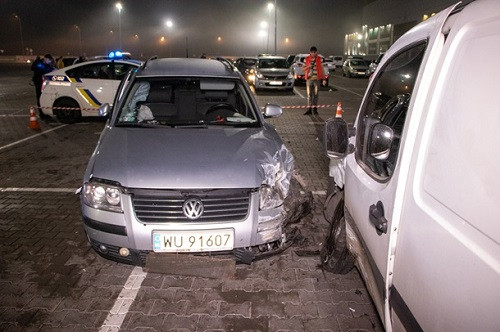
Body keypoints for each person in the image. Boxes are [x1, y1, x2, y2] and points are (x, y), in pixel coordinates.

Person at [303, 46, 327, 115]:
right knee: (309, 95)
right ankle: (309, 109)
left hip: (317, 79)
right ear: (310, 52)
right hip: (309, 79)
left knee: (316, 95)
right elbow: (303, 69)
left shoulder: (320, 59)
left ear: (316, 52)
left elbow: (322, 69)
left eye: (314, 52)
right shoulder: (306, 59)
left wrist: (324, 79)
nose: (313, 53)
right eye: (312, 52)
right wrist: (309, 66)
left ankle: (315, 109)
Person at [32, 53, 55, 119]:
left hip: (43, 83)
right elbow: (44, 70)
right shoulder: (39, 63)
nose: (49, 62)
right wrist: (51, 70)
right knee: (40, 98)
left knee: (44, 98)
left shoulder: (43, 64)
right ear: (46, 58)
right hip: (39, 83)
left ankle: (44, 113)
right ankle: (42, 114)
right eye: (49, 60)